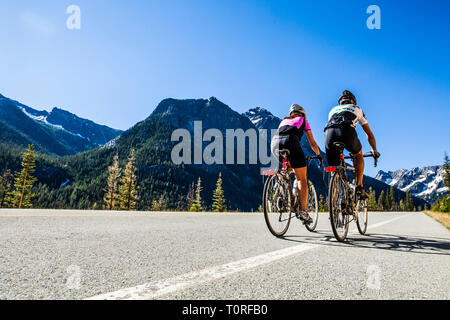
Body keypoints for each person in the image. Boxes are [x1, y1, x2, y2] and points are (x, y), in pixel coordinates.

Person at [271, 104, 323, 223]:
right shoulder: (303, 120)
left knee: (289, 166)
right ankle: (303, 212)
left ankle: (280, 183)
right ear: (302, 114)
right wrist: (319, 155)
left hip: (275, 143)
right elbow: (312, 143)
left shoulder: (284, 121)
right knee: (301, 179)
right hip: (291, 141)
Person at [324, 90, 380, 198]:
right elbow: (369, 134)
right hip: (346, 132)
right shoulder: (357, 109)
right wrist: (374, 150)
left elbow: (334, 125)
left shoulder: (332, 110)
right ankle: (359, 187)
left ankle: (334, 200)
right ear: (353, 102)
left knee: (334, 167)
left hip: (328, 135)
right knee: (358, 155)